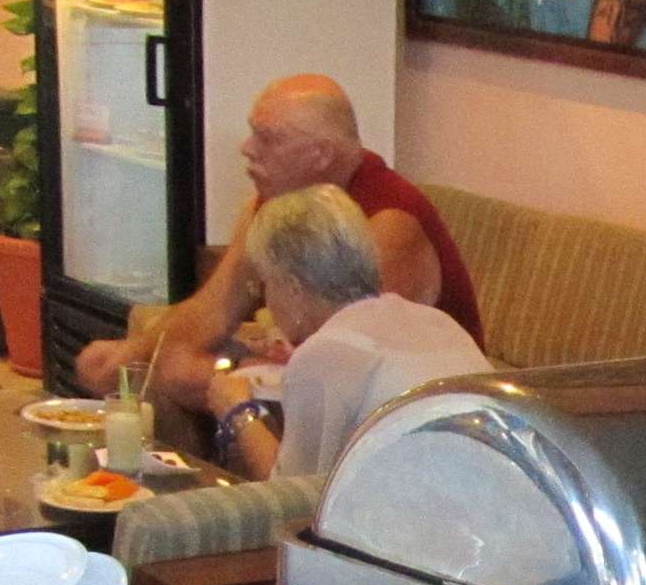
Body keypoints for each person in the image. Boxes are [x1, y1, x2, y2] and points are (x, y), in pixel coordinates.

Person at [71, 74, 483, 438]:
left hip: (401, 408)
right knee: (175, 364)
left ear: (320, 155)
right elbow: (212, 310)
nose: (247, 149)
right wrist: (129, 356)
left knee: (188, 373)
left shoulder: (388, 223)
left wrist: (244, 369)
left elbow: (348, 364)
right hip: (313, 367)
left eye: (267, 138)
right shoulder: (275, 204)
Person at [204, 185, 491, 482]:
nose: (265, 299)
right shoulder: (438, 322)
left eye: (265, 283)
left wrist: (238, 411)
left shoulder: (323, 354)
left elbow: (294, 493)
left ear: (293, 289)